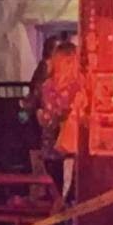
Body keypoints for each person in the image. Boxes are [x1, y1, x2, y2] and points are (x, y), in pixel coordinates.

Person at [36, 43, 81, 198]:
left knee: (63, 189)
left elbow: (50, 116)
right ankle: (62, 217)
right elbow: (52, 115)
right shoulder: (52, 86)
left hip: (65, 143)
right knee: (62, 188)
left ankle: (62, 217)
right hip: (59, 143)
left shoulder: (74, 85)